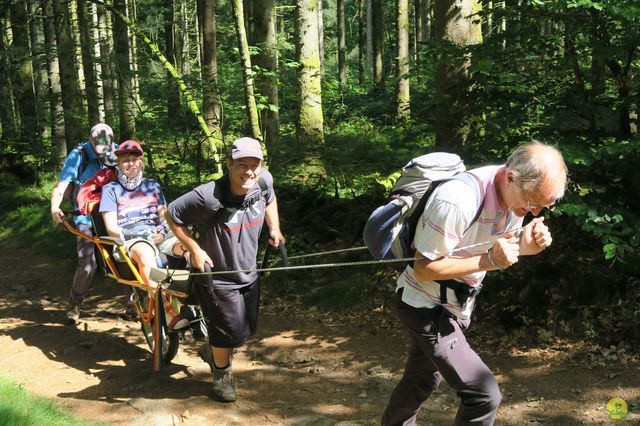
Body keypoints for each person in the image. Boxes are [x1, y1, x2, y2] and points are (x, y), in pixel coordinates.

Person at [381, 141, 568, 425]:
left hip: (455, 306)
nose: (534, 213)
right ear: (511, 178)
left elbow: (493, 244)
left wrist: (526, 245)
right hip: (424, 306)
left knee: (420, 381)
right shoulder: (456, 200)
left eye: (543, 206)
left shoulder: (513, 199)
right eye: (532, 202)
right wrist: (489, 261)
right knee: (483, 394)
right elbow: (423, 268)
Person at [165, 137, 285, 403]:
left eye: (255, 165)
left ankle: (213, 350)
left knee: (246, 328)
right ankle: (221, 372)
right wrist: (194, 250)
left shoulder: (263, 180)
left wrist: (274, 228)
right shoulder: (208, 196)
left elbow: (270, 200)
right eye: (242, 165)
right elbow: (171, 214)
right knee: (228, 330)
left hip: (248, 271)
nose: (249, 171)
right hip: (215, 277)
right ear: (229, 164)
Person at [99, 140, 189, 331]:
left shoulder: (152, 186)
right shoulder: (110, 190)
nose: (130, 164)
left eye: (134, 159)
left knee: (189, 247)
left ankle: (199, 295)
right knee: (146, 252)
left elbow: (165, 216)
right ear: (118, 164)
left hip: (159, 235)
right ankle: (166, 308)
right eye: (125, 160)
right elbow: (111, 227)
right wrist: (143, 235)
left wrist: (163, 231)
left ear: (141, 162)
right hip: (130, 239)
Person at [50, 123, 117, 325]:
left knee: (122, 258)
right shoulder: (78, 155)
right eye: (99, 146)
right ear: (90, 140)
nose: (104, 149)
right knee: (88, 265)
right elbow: (61, 187)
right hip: (85, 216)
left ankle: (133, 302)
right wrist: (55, 208)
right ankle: (74, 303)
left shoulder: (118, 151)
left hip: (113, 215)